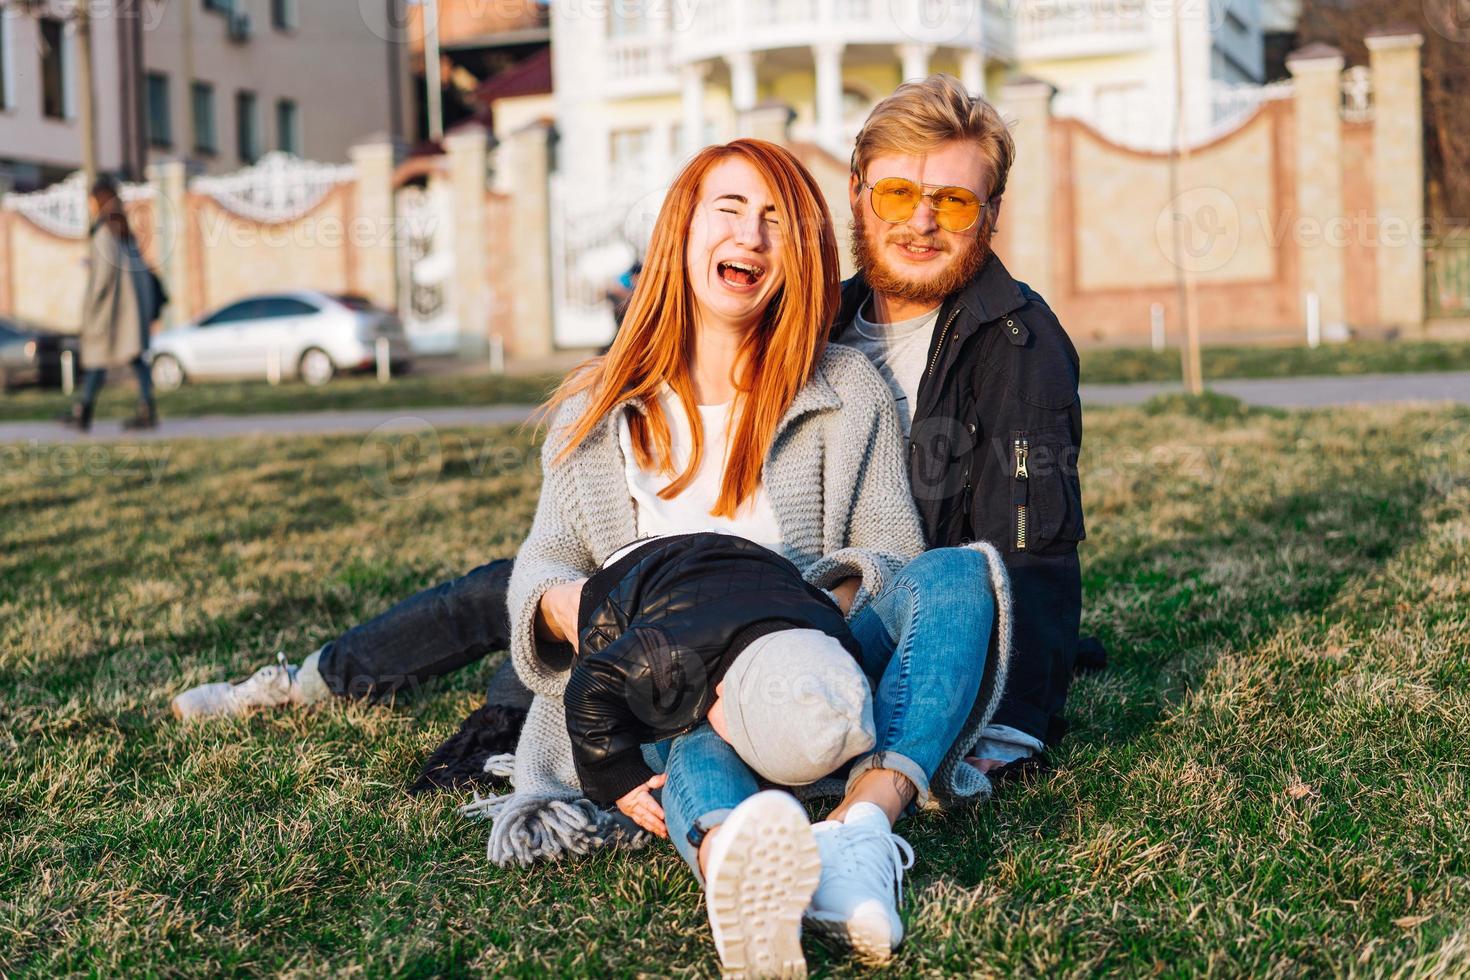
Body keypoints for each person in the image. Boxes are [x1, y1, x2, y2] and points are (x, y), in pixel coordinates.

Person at [172, 72, 1087, 969]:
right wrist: (612, 626)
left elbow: (1008, 556)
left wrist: (997, 721)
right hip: (659, 662)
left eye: (954, 203)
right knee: (595, 650)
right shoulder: (664, 385)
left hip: (820, 639)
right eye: (898, 192)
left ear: (990, 212)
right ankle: (736, 863)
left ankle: (852, 834)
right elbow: (546, 567)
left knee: (957, 574)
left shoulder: (964, 357)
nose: (922, 219)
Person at [562, 530, 877, 818]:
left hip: (749, 562)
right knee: (618, 672)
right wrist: (619, 777)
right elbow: (588, 686)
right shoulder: (662, 654)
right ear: (723, 690)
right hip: (632, 572)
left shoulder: (835, 636)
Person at [63, 176, 165, 433]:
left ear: (98, 200)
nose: (89, 205)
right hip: (130, 310)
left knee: (99, 357)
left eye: (91, 200)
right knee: (133, 357)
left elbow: (103, 278)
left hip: (110, 311)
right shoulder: (123, 231)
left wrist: (90, 308)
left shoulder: (104, 232)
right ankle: (144, 409)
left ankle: (85, 411)